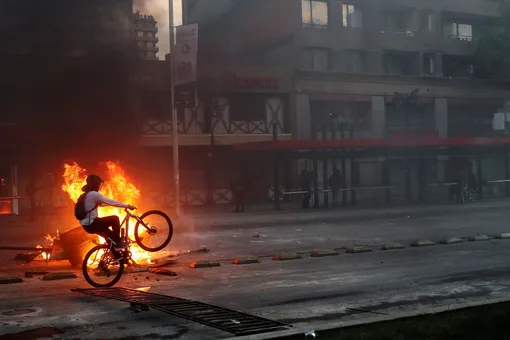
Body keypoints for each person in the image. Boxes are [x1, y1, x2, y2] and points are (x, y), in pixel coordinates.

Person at [78, 175, 136, 258]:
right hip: (93, 223)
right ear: (95, 184)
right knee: (114, 219)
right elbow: (110, 202)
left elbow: (103, 204)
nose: (99, 186)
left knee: (110, 238)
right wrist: (127, 206)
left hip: (87, 225)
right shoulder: (94, 194)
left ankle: (118, 258)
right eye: (98, 184)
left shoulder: (86, 195)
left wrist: (120, 204)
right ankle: (119, 243)